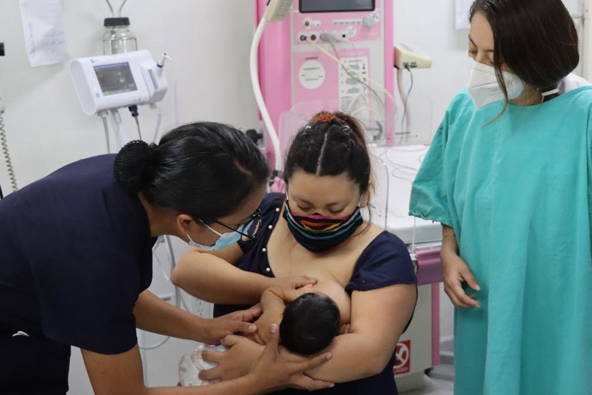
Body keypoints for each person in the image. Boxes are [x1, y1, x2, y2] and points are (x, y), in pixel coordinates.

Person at [0, 122, 333, 395]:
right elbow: (124, 393)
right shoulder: (95, 257)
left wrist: (205, 329)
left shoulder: (134, 181)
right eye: (241, 224)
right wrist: (255, 383)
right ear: (187, 222)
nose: (248, 231)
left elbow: (119, 299)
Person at [409, 0, 592, 395]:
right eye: (472, 51)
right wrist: (448, 251)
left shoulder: (589, 117)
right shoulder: (467, 110)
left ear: (537, 55)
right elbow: (446, 195)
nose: (479, 66)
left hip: (561, 307)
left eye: (493, 57)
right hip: (485, 301)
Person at [173, 111, 418, 394]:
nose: (316, 217)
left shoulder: (384, 255)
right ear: (286, 186)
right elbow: (188, 271)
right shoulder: (265, 214)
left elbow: (368, 355)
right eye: (303, 205)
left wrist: (257, 361)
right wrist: (274, 290)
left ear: (364, 194)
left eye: (334, 209)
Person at [179, 280, 350, 387]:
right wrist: (340, 333)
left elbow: (271, 292)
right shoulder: (300, 351)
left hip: (205, 359)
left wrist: (297, 293)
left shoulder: (275, 316)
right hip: (226, 380)